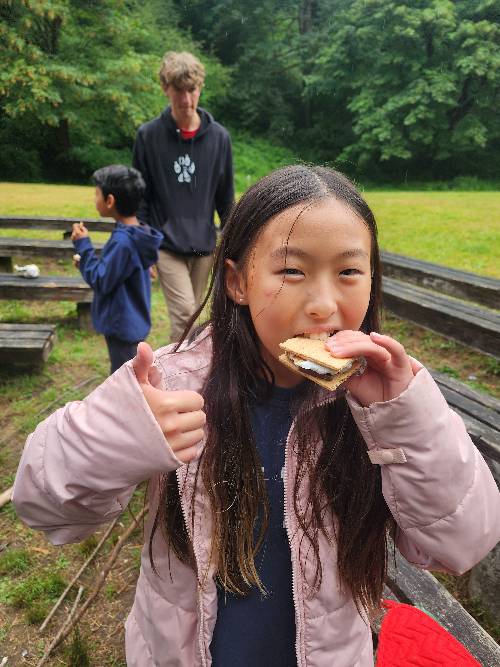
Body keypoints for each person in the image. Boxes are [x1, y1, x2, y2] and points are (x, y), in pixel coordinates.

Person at [13, 166, 500, 667]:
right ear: (237, 281)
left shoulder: (383, 406)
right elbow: (43, 506)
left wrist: (405, 417)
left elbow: (460, 544)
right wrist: (119, 435)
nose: (324, 304)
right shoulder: (173, 385)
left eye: (349, 272)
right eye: (292, 271)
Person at [132, 51, 234, 343]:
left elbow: (225, 198)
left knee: (191, 317)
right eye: (179, 90)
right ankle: (174, 379)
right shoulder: (148, 136)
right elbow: (142, 196)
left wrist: (233, 242)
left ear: (200, 88)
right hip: (164, 243)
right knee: (185, 313)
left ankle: (176, 371)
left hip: (203, 244)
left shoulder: (219, 138)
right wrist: (143, 246)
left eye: (192, 90)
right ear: (166, 88)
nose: (186, 100)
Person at [72, 165, 163, 374]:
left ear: (110, 201)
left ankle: (131, 405)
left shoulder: (123, 242)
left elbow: (102, 280)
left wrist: (84, 246)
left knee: (124, 377)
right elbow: (115, 270)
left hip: (122, 324)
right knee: (132, 372)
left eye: (97, 194)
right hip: (132, 320)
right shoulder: (137, 233)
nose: (94, 199)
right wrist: (85, 262)